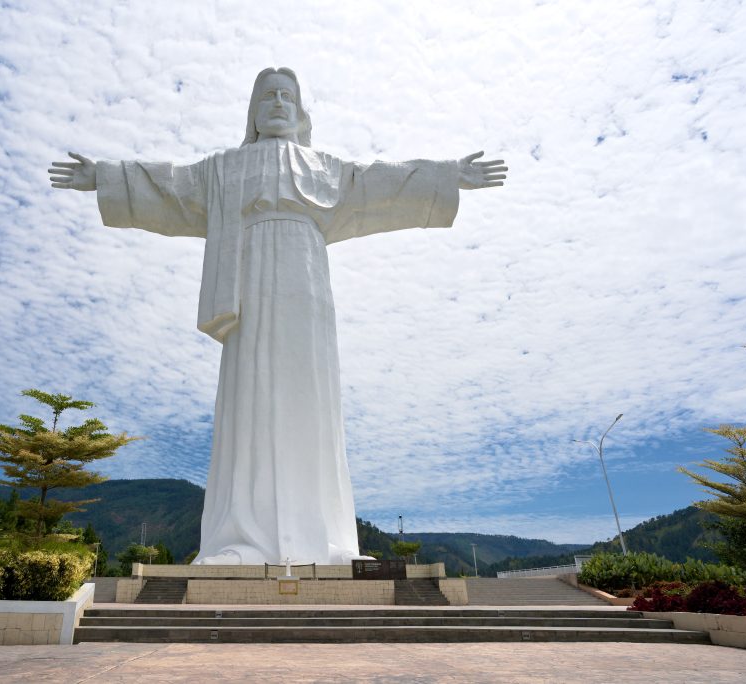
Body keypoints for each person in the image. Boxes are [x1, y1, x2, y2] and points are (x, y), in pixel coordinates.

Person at [48, 68, 506, 566]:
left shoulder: (326, 167)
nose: (279, 103)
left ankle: (328, 540)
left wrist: (447, 174)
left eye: (288, 96)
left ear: (302, 109)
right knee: (253, 394)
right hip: (249, 283)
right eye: (268, 96)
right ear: (253, 110)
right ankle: (239, 540)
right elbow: (172, 185)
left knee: (311, 397)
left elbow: (382, 182)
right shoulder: (224, 167)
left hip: (307, 279)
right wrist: (106, 177)